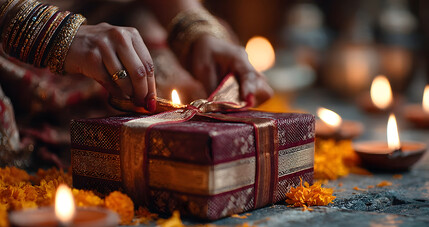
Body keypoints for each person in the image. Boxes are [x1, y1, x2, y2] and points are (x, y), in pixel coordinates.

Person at [0, 0, 273, 167]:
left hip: (102, 23)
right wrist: (51, 33)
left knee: (159, 69)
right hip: (10, 36)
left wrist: (196, 30)